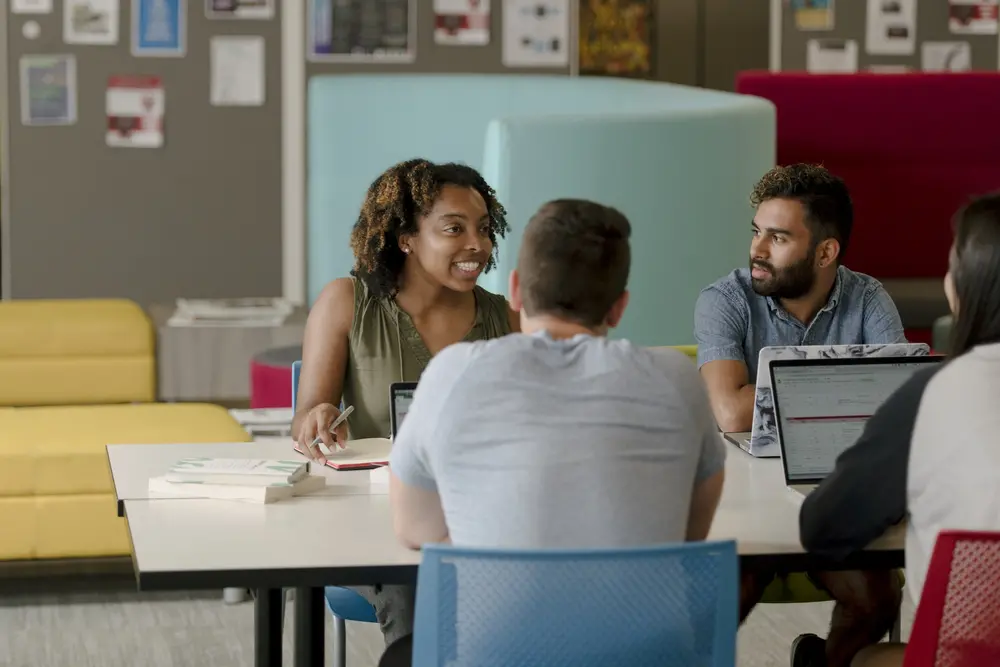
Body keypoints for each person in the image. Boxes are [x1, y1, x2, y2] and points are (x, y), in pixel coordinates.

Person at [381, 199, 727, 666]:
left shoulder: (452, 375)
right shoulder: (677, 379)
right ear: (619, 307)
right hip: (648, 657)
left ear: (517, 292)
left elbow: (413, 530)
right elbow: (686, 536)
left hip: (498, 656)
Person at [292, 158, 518, 648]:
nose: (476, 245)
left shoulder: (508, 318)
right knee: (416, 586)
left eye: (483, 228)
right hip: (376, 524)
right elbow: (306, 418)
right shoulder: (346, 303)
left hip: (482, 518)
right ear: (406, 238)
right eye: (453, 229)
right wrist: (318, 418)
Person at [694, 163, 905, 667]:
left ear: (826, 252)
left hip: (832, 493)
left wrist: (766, 391)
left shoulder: (869, 299)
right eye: (757, 232)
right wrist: (848, 387)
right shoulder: (725, 300)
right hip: (747, 506)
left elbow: (896, 402)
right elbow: (729, 411)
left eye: (779, 237)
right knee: (718, 605)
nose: (757, 251)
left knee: (875, 602)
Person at [800, 192, 1000, 667]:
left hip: (966, 659)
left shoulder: (935, 392)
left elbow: (824, 528)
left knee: (857, 658)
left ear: (967, 288)